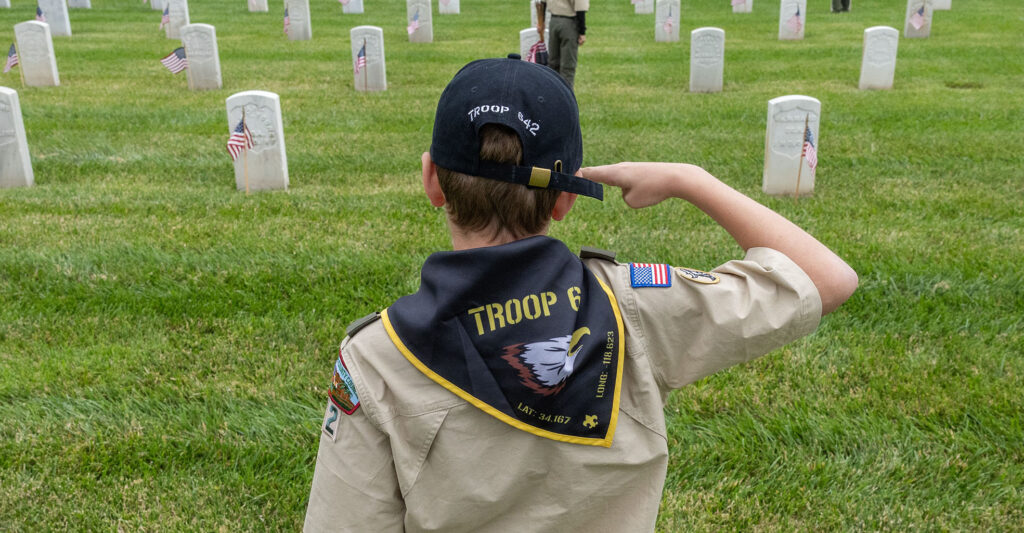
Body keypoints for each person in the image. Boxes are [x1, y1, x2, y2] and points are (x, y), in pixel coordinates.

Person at [303, 56, 858, 532]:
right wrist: (692, 179)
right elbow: (826, 279)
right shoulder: (635, 307)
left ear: (431, 181)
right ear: (565, 200)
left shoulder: (378, 358)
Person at [536, 0, 588, 89]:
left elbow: (542, 2)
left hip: (553, 22)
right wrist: (582, 32)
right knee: (568, 65)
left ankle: (552, 93)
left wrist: (542, 22)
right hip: (569, 23)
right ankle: (566, 97)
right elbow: (580, 8)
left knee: (553, 63)